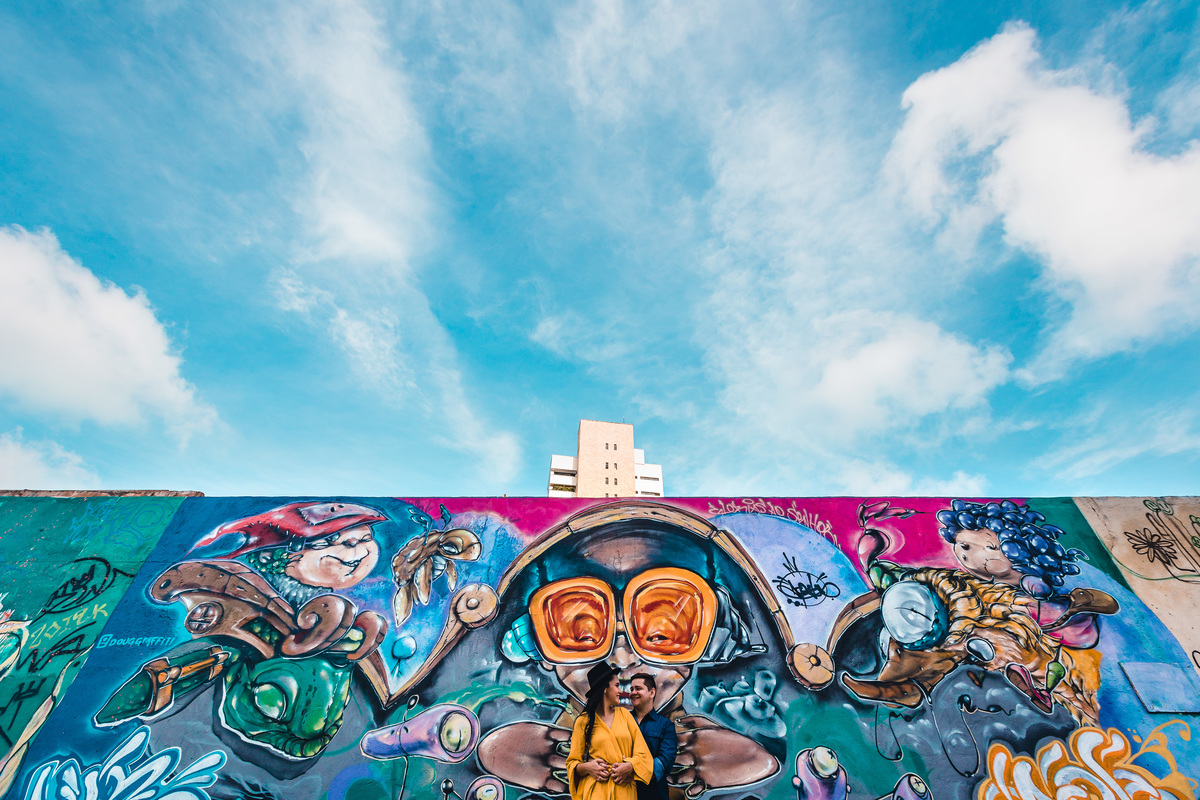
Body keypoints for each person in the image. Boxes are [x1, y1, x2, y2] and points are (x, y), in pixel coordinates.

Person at [566, 662, 653, 800]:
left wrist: (630, 766)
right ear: (605, 688)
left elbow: (644, 755)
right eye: (617, 686)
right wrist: (589, 767)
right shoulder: (584, 721)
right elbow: (572, 764)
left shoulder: (626, 716)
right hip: (596, 791)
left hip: (625, 791)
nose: (620, 691)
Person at [627, 673, 677, 800]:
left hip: (654, 795)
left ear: (652, 692)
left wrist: (630, 771)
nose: (633, 692)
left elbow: (663, 762)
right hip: (624, 793)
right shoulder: (621, 721)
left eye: (638, 688)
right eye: (631, 689)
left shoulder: (666, 725)